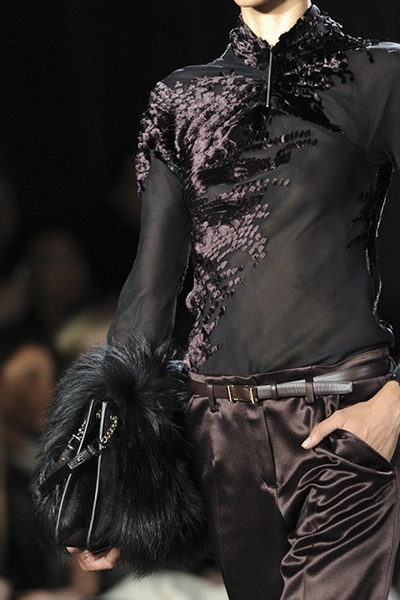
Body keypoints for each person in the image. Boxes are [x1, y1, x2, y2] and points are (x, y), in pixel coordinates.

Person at [68, 1, 400, 599]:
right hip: (221, 433)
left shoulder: (377, 74)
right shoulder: (182, 99)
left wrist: (397, 400)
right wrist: (114, 475)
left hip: (342, 418)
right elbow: (149, 290)